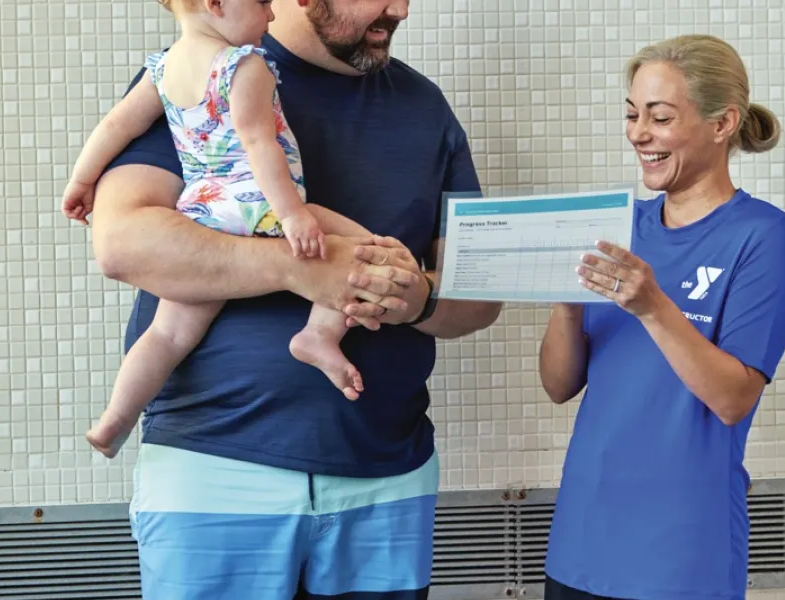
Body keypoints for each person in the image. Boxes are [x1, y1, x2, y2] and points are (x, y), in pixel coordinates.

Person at [86, 0, 502, 597]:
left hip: (388, 474)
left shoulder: (425, 108)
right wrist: (300, 268)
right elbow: (123, 245)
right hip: (216, 472)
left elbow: (480, 299)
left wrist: (420, 300)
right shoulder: (204, 70)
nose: (401, 9)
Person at [537, 34, 785, 600]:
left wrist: (653, 305)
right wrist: (562, 298)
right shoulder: (617, 225)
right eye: (633, 115)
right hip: (580, 539)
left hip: (680, 553)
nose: (639, 134)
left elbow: (733, 398)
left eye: (660, 117)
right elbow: (559, 385)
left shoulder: (764, 237)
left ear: (722, 123)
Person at [61, 0, 379, 460]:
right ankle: (319, 335)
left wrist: (81, 181)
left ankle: (114, 420)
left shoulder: (162, 68)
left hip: (203, 208)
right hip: (257, 203)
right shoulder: (244, 65)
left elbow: (116, 126)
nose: (271, 16)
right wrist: (292, 214)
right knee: (361, 250)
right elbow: (258, 144)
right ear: (215, 4)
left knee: (168, 334)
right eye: (263, 4)